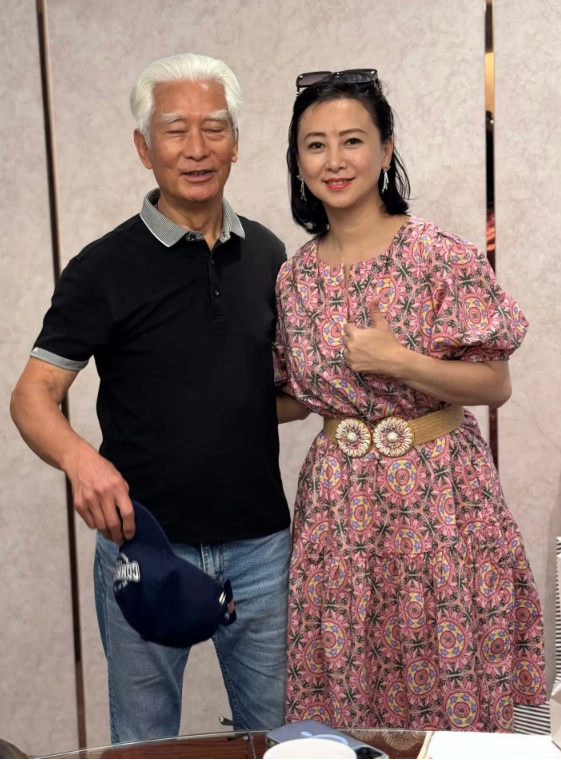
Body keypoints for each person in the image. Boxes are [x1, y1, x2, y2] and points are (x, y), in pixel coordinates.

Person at [10, 53, 306, 743]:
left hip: (261, 547)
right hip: (144, 542)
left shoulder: (269, 255)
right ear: (145, 148)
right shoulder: (101, 268)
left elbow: (273, 393)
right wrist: (82, 462)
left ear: (236, 142)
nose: (196, 148)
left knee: (276, 739)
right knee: (145, 743)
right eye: (175, 130)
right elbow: (32, 396)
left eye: (213, 128)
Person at [274, 69, 545, 731]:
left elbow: (495, 385)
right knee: (347, 682)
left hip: (439, 494)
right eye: (315, 145)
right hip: (337, 504)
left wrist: (400, 363)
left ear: (386, 149)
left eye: (352, 140)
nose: (334, 161)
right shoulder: (293, 276)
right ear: (298, 162)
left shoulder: (436, 255)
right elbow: (292, 396)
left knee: (447, 674)